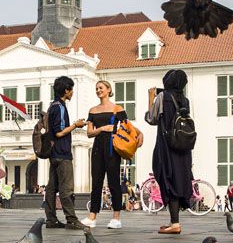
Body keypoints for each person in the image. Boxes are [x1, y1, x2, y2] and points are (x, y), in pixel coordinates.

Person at [82, 80, 144, 229]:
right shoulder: (92, 110)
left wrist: (139, 132)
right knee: (96, 182)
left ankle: (116, 217)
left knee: (113, 182)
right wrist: (103, 128)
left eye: (101, 88)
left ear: (109, 90)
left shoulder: (117, 109)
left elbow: (127, 126)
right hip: (97, 148)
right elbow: (90, 133)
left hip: (112, 148)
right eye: (96, 88)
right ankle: (92, 216)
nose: (98, 90)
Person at [145, 69, 194, 234]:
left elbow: (151, 119)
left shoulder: (162, 97)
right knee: (180, 179)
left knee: (168, 178)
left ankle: (175, 224)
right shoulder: (185, 100)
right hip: (183, 147)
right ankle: (175, 221)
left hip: (167, 146)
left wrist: (151, 98)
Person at [44, 76, 87, 230]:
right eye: (71, 89)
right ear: (66, 90)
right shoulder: (60, 107)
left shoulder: (52, 106)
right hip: (62, 153)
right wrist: (76, 125)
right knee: (66, 188)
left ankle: (51, 219)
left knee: (51, 187)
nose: (72, 92)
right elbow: (60, 132)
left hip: (53, 153)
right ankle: (71, 219)